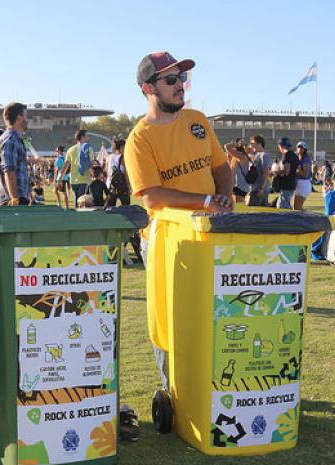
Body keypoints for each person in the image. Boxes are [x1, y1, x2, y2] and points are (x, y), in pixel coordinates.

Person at [124, 50, 232, 393]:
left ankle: (212, 384)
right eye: (170, 80)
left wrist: (225, 195)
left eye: (181, 78)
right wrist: (204, 202)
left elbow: (221, 167)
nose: (179, 85)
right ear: (148, 88)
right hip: (167, 238)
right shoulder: (139, 139)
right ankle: (175, 393)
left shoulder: (197, 119)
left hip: (210, 230)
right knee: (171, 317)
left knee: (215, 310)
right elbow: (151, 197)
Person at [0, 102, 29, 206]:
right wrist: (14, 198)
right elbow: (9, 171)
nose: (27, 120)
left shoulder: (13, 138)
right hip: (12, 201)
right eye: (26, 116)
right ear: (19, 118)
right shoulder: (11, 139)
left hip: (14, 198)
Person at [63, 129, 94, 202]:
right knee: (82, 203)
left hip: (73, 180)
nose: (88, 138)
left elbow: (65, 165)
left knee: (77, 203)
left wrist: (59, 179)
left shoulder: (70, 149)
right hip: (84, 180)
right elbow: (91, 164)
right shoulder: (88, 148)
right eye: (87, 136)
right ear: (82, 137)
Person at [271, 137, 299, 209]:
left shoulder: (286, 155)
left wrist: (274, 172)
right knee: (285, 204)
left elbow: (286, 171)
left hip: (287, 184)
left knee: (282, 206)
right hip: (292, 183)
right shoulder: (295, 155)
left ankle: (288, 220)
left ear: (280, 146)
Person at [105, 138, 130, 207]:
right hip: (121, 186)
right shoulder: (123, 158)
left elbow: (106, 172)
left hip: (110, 186)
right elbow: (125, 174)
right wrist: (128, 187)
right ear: (122, 147)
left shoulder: (108, 157)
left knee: (110, 209)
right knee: (126, 208)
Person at [248, 135, 270, 206]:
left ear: (259, 144)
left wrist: (261, 189)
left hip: (259, 189)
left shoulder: (263, 155)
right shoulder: (256, 155)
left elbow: (266, 172)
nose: (251, 145)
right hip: (255, 188)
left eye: (253, 143)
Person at [294, 140, 312, 210]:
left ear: (305, 149)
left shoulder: (306, 159)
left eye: (302, 147)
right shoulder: (297, 157)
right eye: (298, 147)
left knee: (297, 208)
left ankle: (309, 219)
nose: (300, 149)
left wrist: (297, 168)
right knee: (296, 208)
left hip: (304, 184)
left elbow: (305, 174)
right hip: (298, 183)